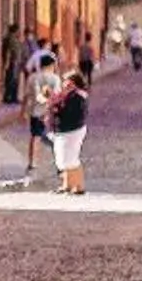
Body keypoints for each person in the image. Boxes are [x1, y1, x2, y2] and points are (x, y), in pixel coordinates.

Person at [50, 69, 92, 194]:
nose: (64, 84)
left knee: (71, 158)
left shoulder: (77, 96)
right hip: (65, 130)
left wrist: (56, 108)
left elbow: (69, 112)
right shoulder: (70, 94)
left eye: (67, 81)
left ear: (74, 83)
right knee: (63, 158)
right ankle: (67, 184)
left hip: (73, 130)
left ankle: (78, 186)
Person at [25, 49, 62, 181]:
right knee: (54, 139)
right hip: (49, 113)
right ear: (51, 65)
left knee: (35, 137)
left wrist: (23, 111)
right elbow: (57, 96)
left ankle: (32, 163)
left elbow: (28, 96)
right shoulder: (55, 79)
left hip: (35, 112)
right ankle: (60, 165)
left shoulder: (33, 77)